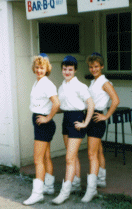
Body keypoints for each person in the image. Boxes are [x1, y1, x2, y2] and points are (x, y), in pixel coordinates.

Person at [52, 55, 95, 205]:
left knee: (69, 158)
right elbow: (61, 108)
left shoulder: (80, 86)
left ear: (75, 70)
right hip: (66, 120)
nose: (67, 72)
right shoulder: (61, 87)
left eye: (70, 69)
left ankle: (65, 192)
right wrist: (47, 112)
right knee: (73, 156)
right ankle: (76, 184)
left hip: (77, 119)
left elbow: (90, 104)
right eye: (64, 69)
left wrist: (85, 123)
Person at [81, 52, 120, 203]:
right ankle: (101, 179)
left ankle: (92, 189)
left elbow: (115, 100)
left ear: (102, 66)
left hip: (97, 118)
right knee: (98, 150)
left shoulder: (104, 82)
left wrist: (106, 116)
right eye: (91, 67)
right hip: (90, 116)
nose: (93, 69)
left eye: (96, 66)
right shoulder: (94, 81)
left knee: (91, 154)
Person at [23, 53, 60, 205]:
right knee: (45, 157)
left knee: (37, 159)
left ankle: (37, 193)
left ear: (47, 69)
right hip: (40, 121)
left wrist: (47, 118)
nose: (39, 70)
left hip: (43, 123)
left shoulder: (46, 84)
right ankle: (49, 187)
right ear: (34, 68)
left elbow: (56, 103)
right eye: (37, 67)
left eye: (42, 68)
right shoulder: (38, 82)